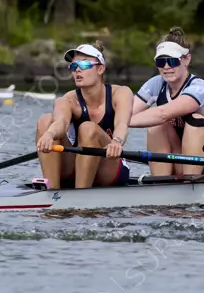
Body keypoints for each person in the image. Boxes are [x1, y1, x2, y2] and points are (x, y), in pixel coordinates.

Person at [129, 27, 204, 177]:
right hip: (182, 158)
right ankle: (160, 185)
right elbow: (127, 111)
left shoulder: (199, 87)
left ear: (187, 59)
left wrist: (122, 121)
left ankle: (188, 185)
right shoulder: (156, 84)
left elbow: (163, 113)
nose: (166, 67)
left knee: (195, 122)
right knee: (156, 127)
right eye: (161, 61)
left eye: (172, 61)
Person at [35, 43, 134, 189]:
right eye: (74, 66)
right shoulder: (68, 100)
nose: (78, 70)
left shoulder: (120, 93)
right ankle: (52, 193)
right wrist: (49, 134)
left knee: (88, 128)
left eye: (84, 64)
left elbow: (122, 124)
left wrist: (117, 141)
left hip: (109, 167)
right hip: (76, 166)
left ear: (101, 69)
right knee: (45, 121)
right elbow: (60, 123)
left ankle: (81, 198)